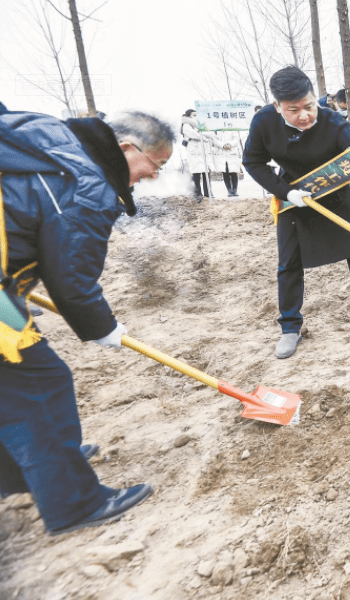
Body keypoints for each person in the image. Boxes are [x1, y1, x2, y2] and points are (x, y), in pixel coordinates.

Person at [0, 106, 174, 535]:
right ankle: (74, 502)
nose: (154, 176)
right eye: (156, 165)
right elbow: (72, 281)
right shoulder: (88, 183)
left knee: (12, 386)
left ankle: (25, 472)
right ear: (127, 148)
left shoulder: (49, 134)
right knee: (41, 384)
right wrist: (102, 327)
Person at [243, 66, 350, 359]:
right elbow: (253, 162)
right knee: (288, 263)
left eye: (309, 106)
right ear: (277, 107)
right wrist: (285, 192)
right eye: (293, 110)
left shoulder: (333, 122)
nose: (304, 116)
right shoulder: (263, 122)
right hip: (294, 197)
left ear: (316, 99)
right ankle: (290, 327)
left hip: (335, 192)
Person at [180, 109, 224, 201]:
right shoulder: (186, 125)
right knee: (196, 173)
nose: (196, 116)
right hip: (194, 152)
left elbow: (211, 134)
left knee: (206, 173)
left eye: (196, 115)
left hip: (204, 151)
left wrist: (203, 134)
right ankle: (198, 193)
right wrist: (205, 136)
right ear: (188, 116)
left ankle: (208, 193)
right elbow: (194, 135)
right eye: (193, 115)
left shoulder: (202, 125)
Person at [215, 130, 243, 196]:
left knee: (233, 172)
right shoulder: (217, 130)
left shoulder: (232, 128)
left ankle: (235, 190)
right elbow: (214, 140)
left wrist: (230, 144)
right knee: (225, 172)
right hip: (222, 152)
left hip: (232, 152)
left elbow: (236, 139)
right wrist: (223, 145)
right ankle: (229, 190)